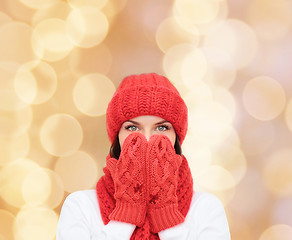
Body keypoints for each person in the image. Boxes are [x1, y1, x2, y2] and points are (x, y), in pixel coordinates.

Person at [56, 73, 231, 240]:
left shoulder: (206, 208)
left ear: (176, 137)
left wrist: (166, 215)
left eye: (161, 128)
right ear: (116, 136)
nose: (146, 139)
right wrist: (126, 213)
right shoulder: (81, 206)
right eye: (132, 128)